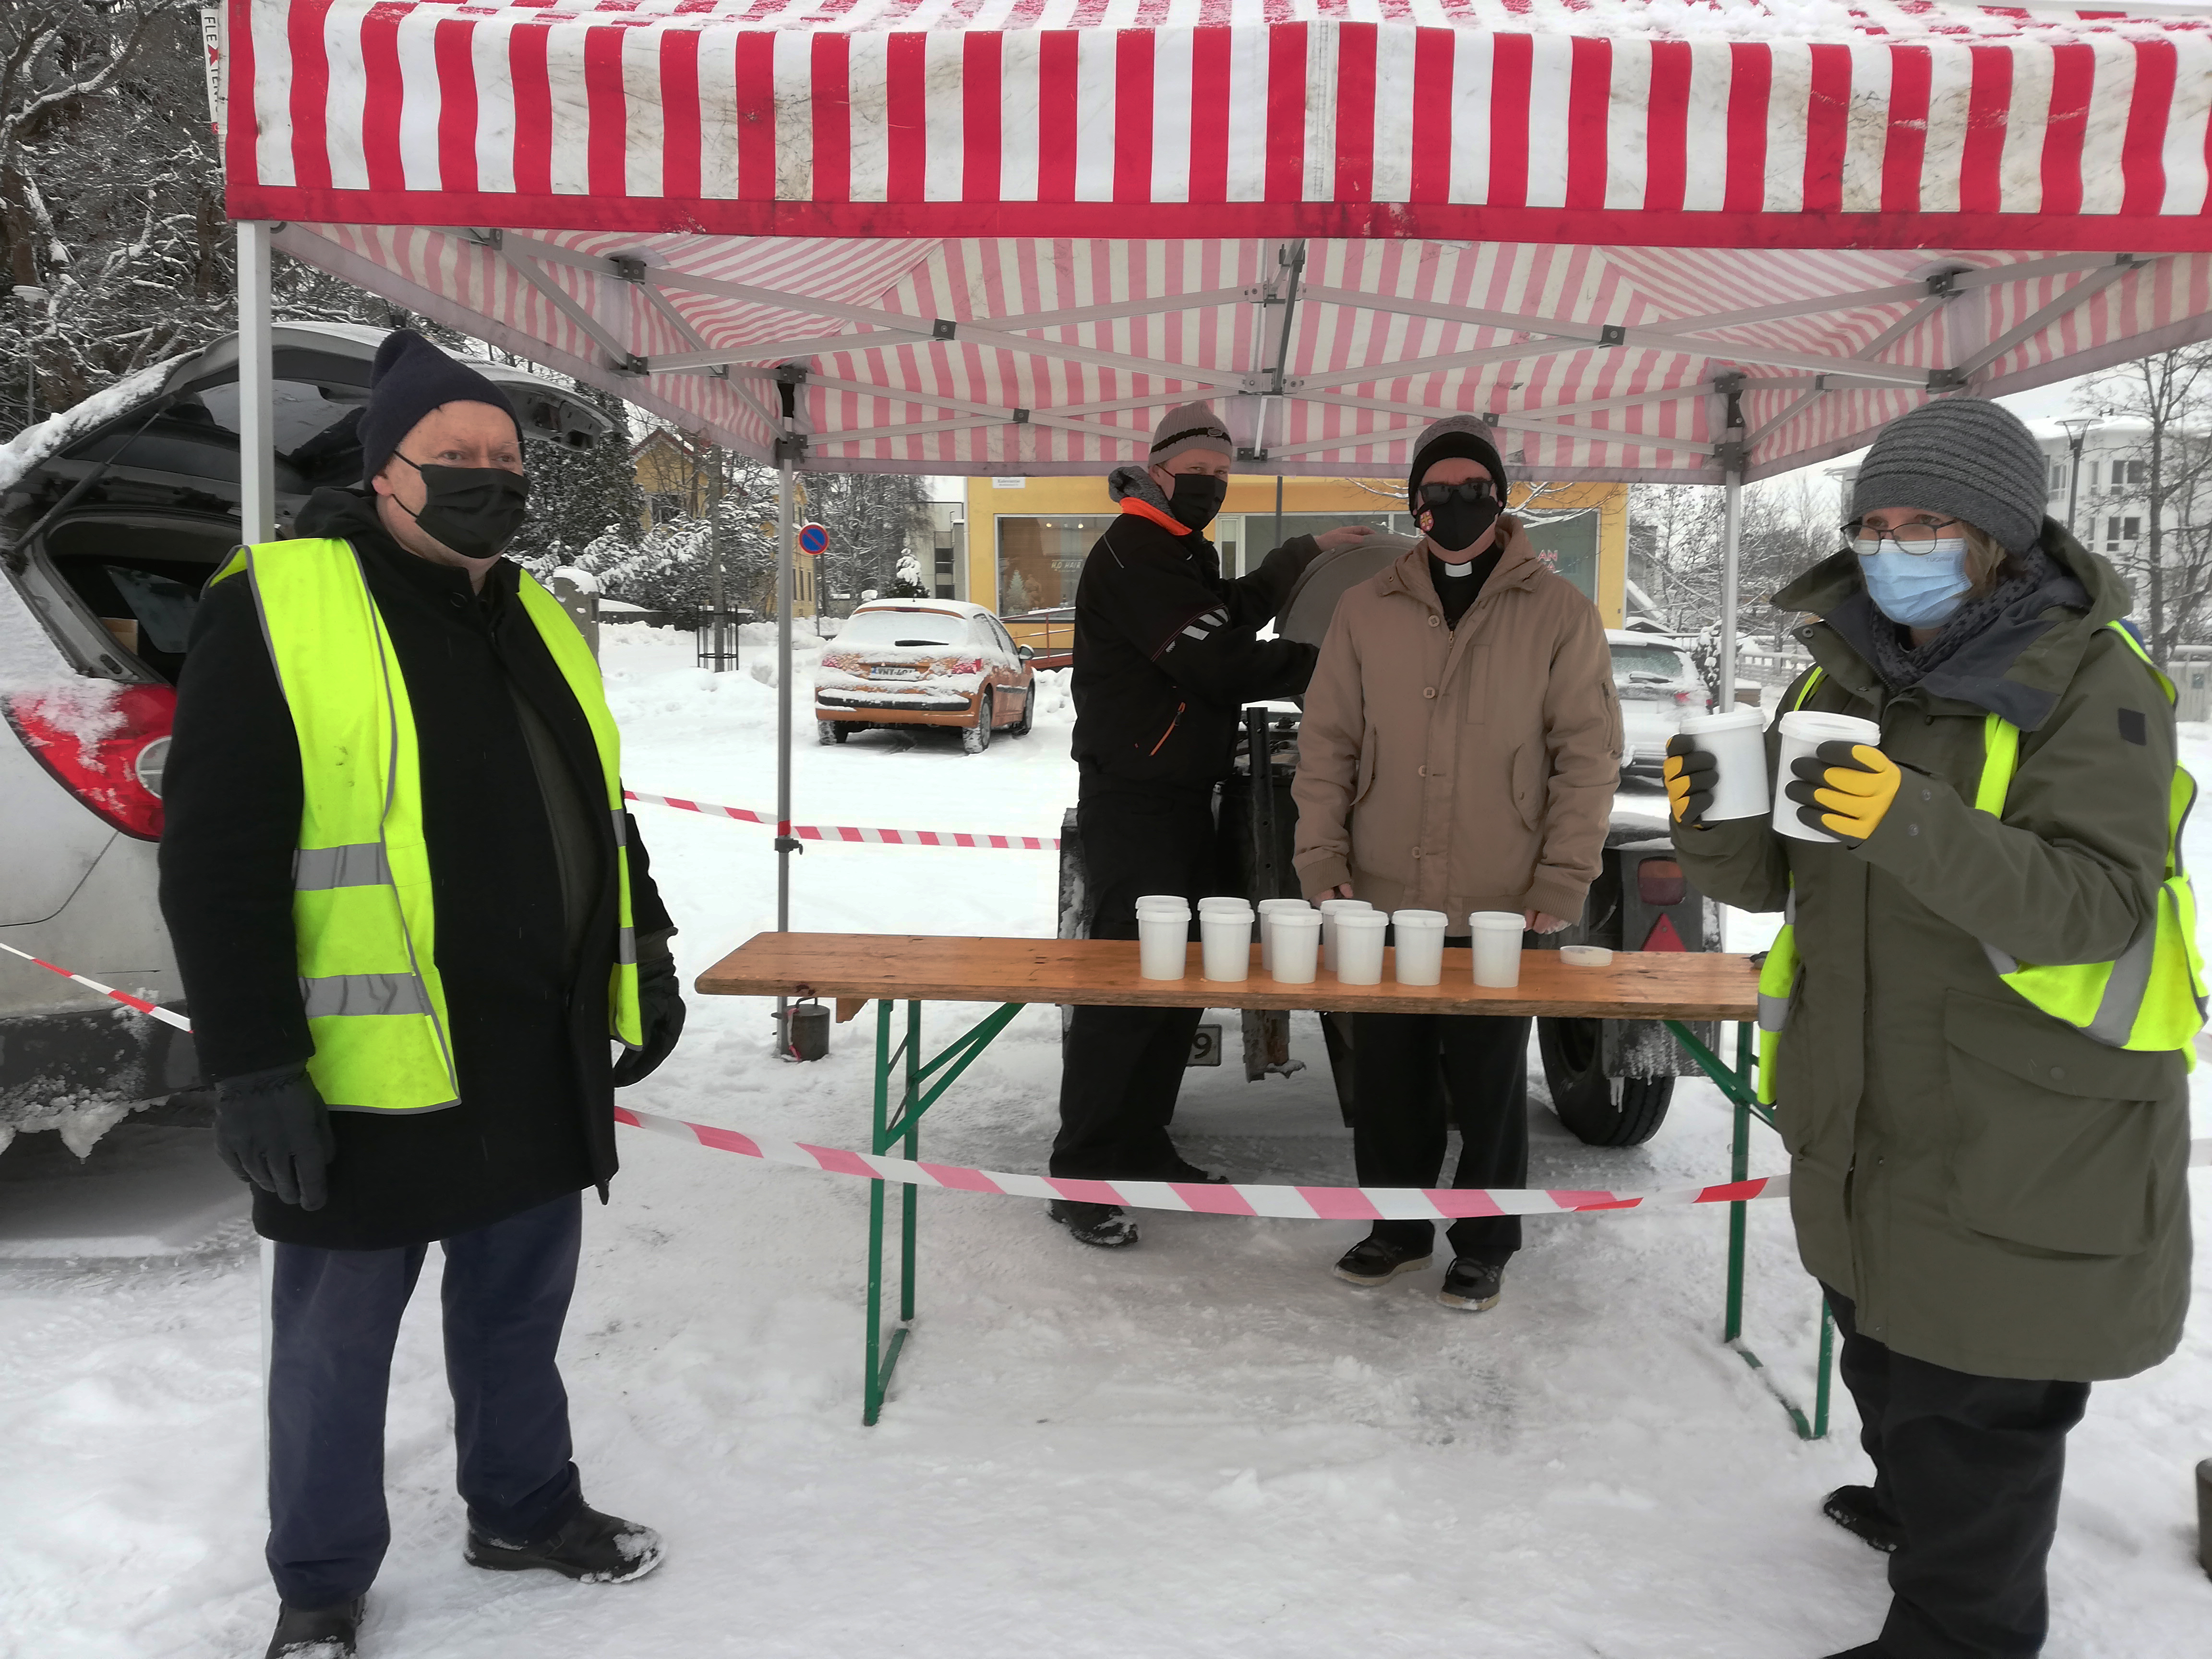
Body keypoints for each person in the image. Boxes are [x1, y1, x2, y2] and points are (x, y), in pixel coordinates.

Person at [158, 331, 688, 1659]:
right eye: (455, 458)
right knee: (336, 1346)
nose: (488, 480)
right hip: (364, 1070)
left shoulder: (538, 610)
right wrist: (254, 1061)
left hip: (531, 1046)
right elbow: (215, 861)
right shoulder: (281, 601)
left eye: (504, 460)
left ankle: (521, 1507)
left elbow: (601, 813)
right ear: (382, 471)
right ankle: (322, 1580)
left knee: (519, 1311)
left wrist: (652, 952)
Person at [1663, 398, 2194, 1659]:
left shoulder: (2090, 678)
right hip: (1876, 1109)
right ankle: (1916, 1508)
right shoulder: (1842, 667)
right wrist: (1712, 822)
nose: (1894, 548)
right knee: (1887, 1351)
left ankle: (1964, 1632)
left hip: (2021, 1121)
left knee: (1979, 1399)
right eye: (1877, 524)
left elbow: (2100, 907)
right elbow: (1788, 882)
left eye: (1929, 525)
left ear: (2001, 538)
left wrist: (1905, 815)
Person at [1290, 415, 1620, 1311]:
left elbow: (1587, 754)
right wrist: (1321, 858)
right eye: (1436, 491)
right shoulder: (1368, 609)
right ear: (1415, 504)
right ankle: (1395, 1228)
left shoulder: (1558, 611)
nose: (1455, 503)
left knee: (1488, 1079)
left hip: (1504, 896)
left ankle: (1485, 1241)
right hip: (1383, 887)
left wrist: (1563, 876)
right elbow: (1327, 745)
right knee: (1388, 1073)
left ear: (1502, 498)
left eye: (1474, 487)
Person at [1051, 402, 1373, 1247]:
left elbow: (1224, 614)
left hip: (1183, 791)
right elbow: (1213, 657)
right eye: (1200, 473)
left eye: (1224, 477)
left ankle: (1142, 1140)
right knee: (1126, 984)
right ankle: (1083, 1170)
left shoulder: (1174, 549)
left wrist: (1296, 559)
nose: (1213, 487)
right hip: (1135, 798)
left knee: (1172, 983)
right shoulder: (1132, 551)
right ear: (1157, 469)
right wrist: (1337, 666)